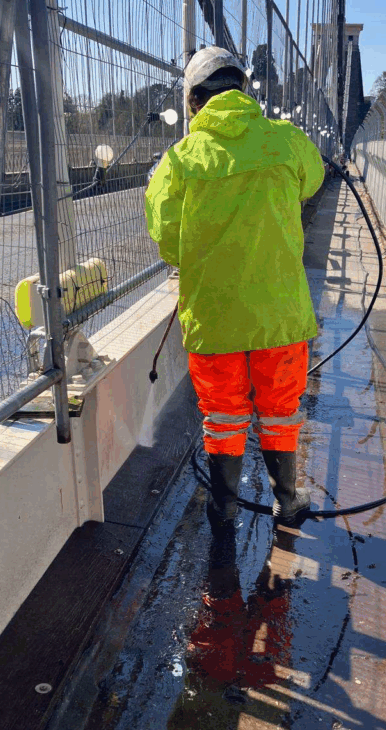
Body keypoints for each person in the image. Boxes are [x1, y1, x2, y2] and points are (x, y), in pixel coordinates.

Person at [144, 46, 325, 527]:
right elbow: (312, 181)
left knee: (223, 414)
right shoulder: (285, 140)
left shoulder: (180, 160)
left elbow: (167, 241)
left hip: (214, 316)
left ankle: (223, 505)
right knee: (280, 409)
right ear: (243, 90)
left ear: (193, 101)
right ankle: (287, 499)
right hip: (280, 315)